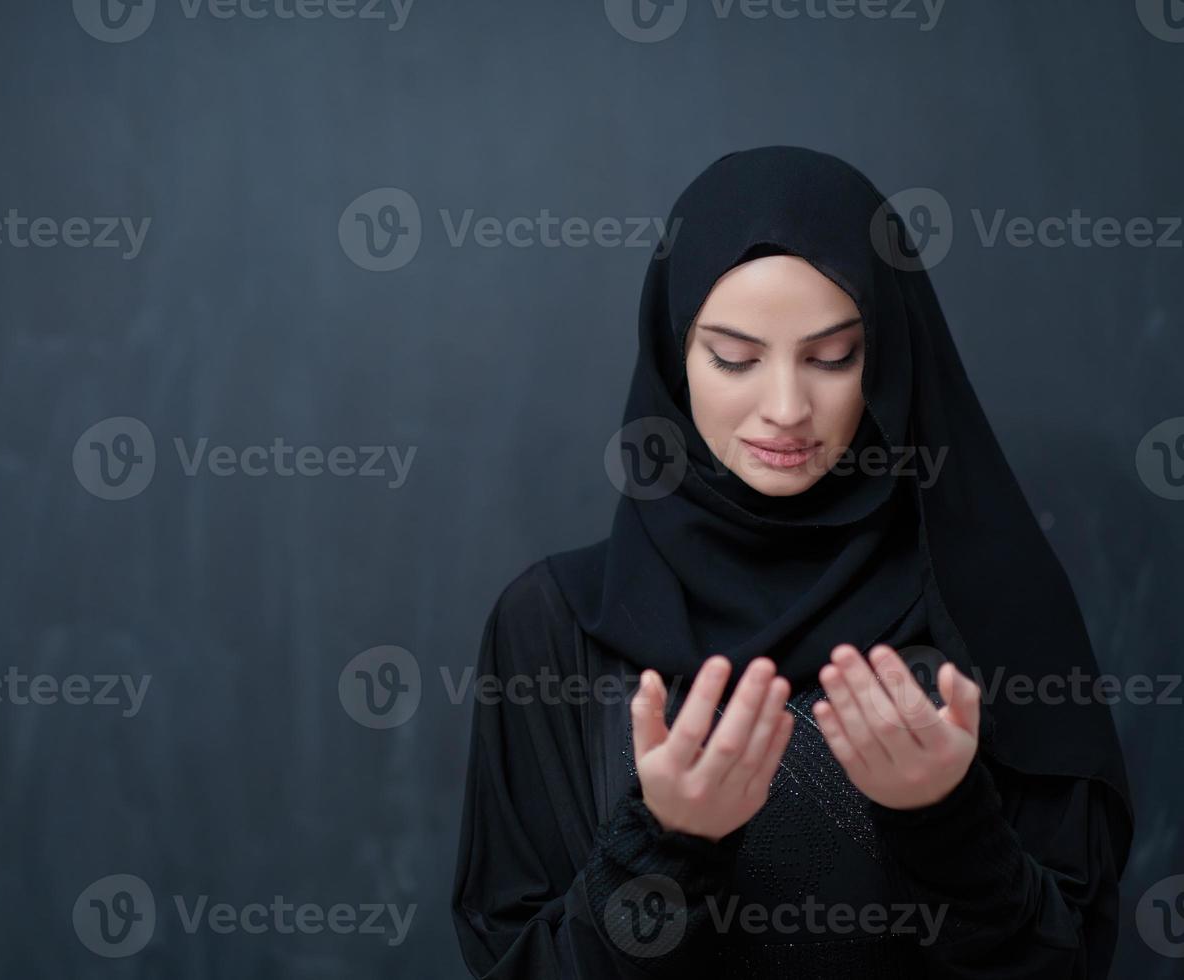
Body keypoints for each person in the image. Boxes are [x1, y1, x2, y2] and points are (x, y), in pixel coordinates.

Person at [448, 145, 1134, 978]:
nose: (785, 408)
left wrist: (947, 822)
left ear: (885, 358)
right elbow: (512, 962)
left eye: (832, 357)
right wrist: (665, 846)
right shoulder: (553, 627)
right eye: (734, 358)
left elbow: (1069, 962)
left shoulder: (990, 607)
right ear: (673, 359)